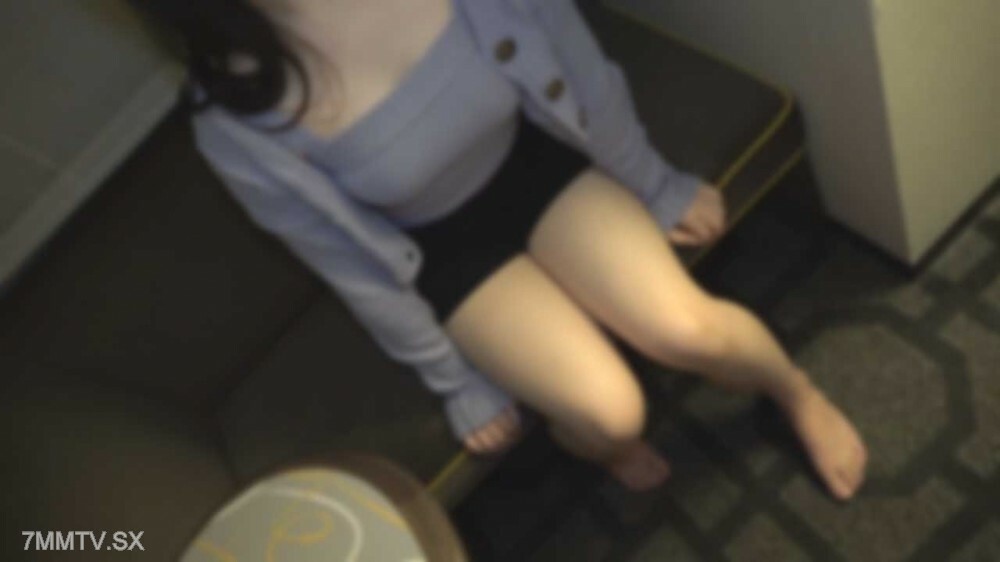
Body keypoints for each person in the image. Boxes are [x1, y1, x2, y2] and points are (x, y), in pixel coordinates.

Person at [131, 0, 867, 498]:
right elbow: (349, 263)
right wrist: (452, 377)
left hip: (530, 161)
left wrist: (652, 181)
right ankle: (602, 444)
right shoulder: (230, 119)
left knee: (687, 330)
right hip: (439, 248)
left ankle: (795, 391)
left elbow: (576, 61)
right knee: (612, 416)